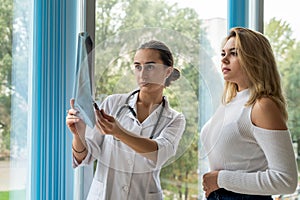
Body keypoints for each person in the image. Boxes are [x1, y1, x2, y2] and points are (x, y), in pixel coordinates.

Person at [66, 40, 186, 200]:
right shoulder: (113, 103)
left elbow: (159, 153)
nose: (142, 74)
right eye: (138, 66)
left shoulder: (175, 119)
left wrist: (119, 132)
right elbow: (85, 156)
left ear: (167, 71)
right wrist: (78, 134)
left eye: (150, 66)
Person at [200, 27, 298, 199]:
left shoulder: (262, 106)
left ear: (254, 59)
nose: (224, 59)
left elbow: (286, 180)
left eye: (234, 53)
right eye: (223, 53)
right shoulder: (230, 103)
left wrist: (221, 179)